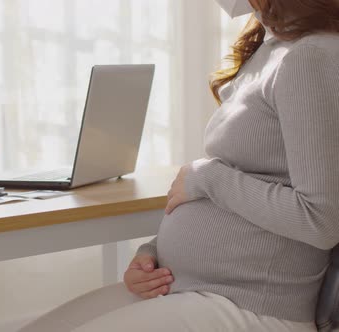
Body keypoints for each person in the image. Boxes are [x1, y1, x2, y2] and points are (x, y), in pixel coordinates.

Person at [20, 0, 339, 331]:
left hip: (251, 305)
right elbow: (239, 183)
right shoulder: (274, 47)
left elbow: (321, 219)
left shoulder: (312, 56)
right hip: (187, 286)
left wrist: (206, 177)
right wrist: (151, 256)